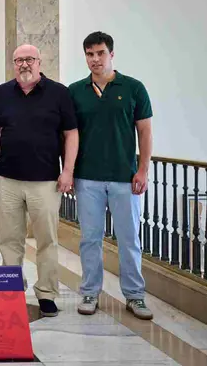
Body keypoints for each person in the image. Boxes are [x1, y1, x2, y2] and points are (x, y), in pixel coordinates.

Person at [0, 44, 78, 317]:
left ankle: (47, 293)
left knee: (47, 240)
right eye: (18, 60)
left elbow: (71, 133)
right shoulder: (3, 93)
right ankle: (12, 289)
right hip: (9, 179)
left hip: (46, 180)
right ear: (13, 64)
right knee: (9, 239)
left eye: (29, 59)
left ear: (39, 61)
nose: (23, 64)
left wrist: (68, 171)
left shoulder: (59, 94)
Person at [69, 31, 154, 319]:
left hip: (124, 178)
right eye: (90, 54)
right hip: (87, 178)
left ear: (111, 54)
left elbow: (144, 130)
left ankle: (135, 296)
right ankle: (90, 292)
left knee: (129, 239)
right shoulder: (75, 91)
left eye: (100, 53)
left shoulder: (133, 88)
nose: (95, 59)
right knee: (90, 238)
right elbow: (69, 134)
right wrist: (67, 171)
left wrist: (143, 169)